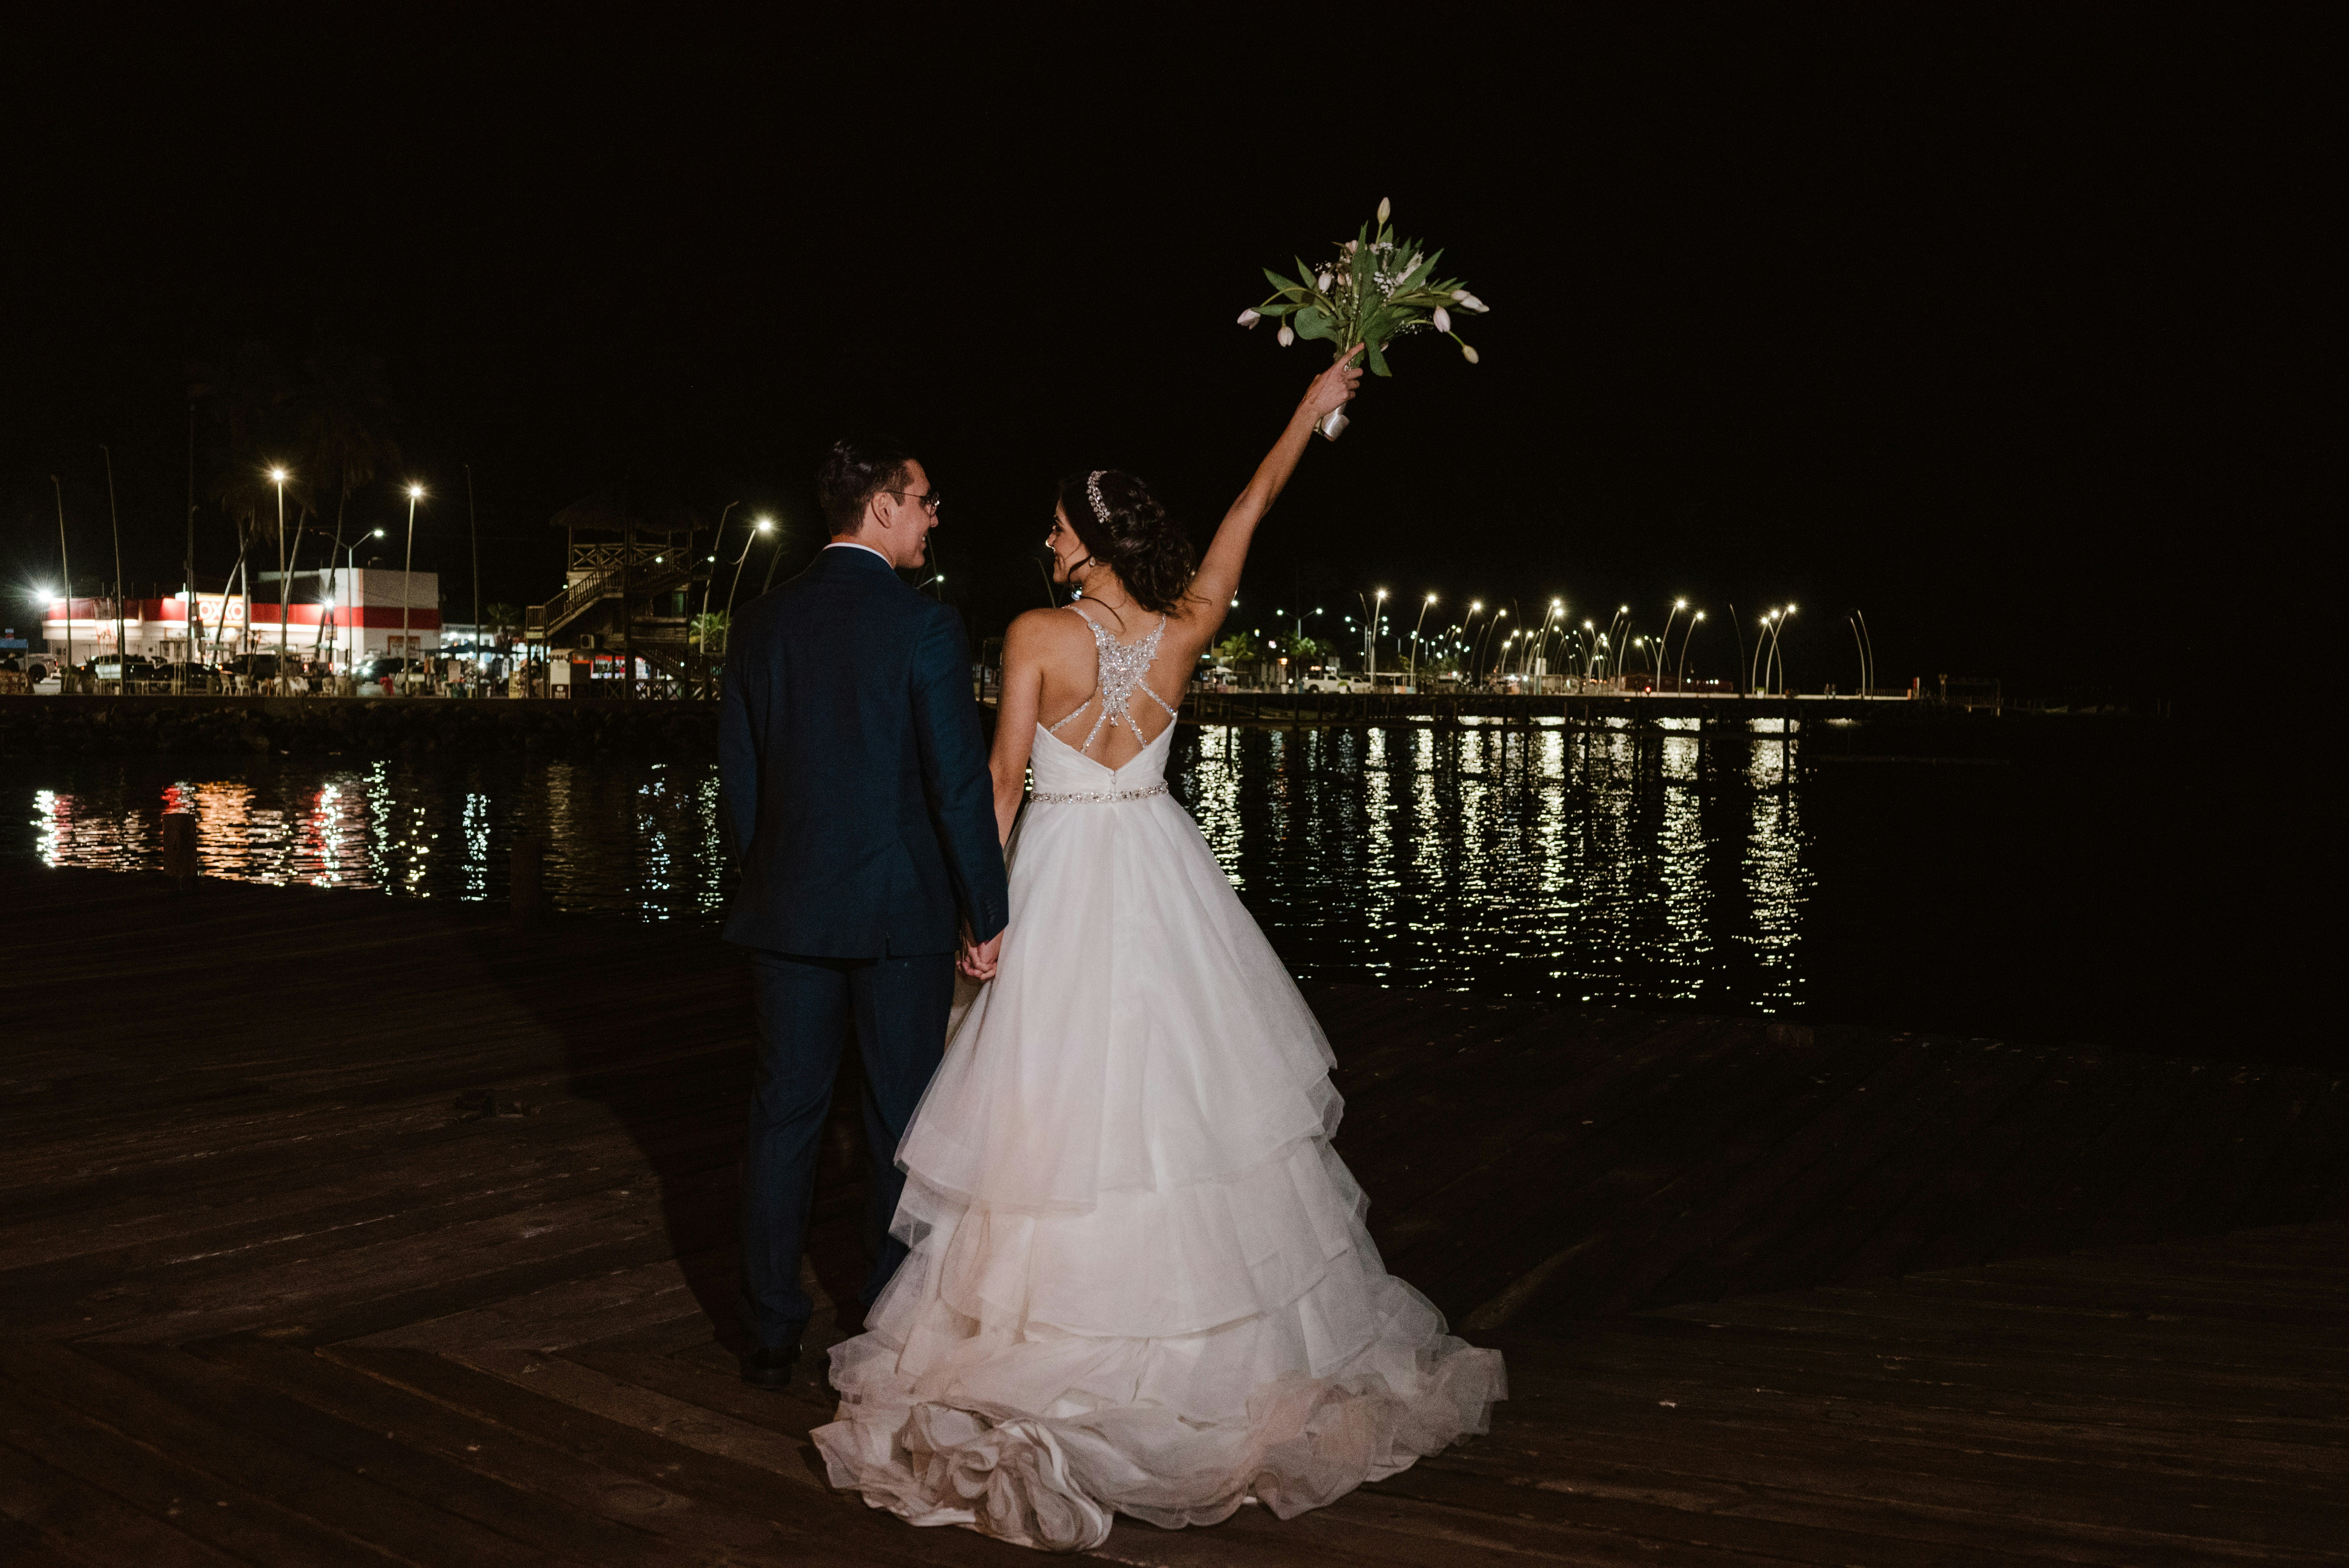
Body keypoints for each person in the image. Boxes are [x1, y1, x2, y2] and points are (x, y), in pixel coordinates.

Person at [814, 355, 1505, 1550]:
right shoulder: (1189, 626)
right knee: (1186, 1110)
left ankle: (1046, 1340)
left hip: (1067, 876)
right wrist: (1309, 409)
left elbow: (999, 785)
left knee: (1054, 1110)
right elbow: (1250, 510)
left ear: (1085, 540)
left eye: (1054, 525)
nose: (1042, 539)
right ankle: (1210, 1348)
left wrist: (983, 922)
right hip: (1162, 870)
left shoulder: (1035, 633)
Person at [719, 439, 1009, 1391]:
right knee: (899, 1122)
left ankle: (767, 1327)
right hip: (898, 921)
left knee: (784, 1118)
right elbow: (957, 786)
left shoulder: (760, 623)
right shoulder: (923, 628)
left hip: (785, 914)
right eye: (924, 499)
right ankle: (884, 1324)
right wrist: (987, 909)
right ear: (881, 507)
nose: (934, 515)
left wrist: (766, 882)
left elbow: (741, 792)